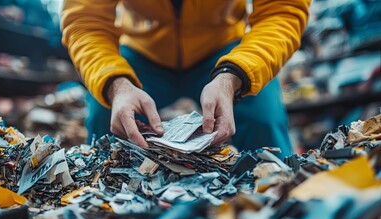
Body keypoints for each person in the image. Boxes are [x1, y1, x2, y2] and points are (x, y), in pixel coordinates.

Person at [61, 0, 310, 159]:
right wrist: (116, 84)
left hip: (226, 50)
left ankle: (282, 206)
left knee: (262, 121)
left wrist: (234, 75)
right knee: (106, 119)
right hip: (141, 53)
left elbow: (282, 9)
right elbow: (85, 19)